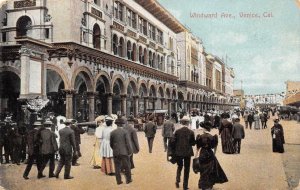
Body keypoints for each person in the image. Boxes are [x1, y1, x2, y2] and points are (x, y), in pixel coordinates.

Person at [196, 122, 228, 190]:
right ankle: (209, 185)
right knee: (210, 169)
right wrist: (214, 154)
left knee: (203, 169)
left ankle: (203, 185)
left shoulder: (200, 137)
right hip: (210, 153)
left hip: (203, 153)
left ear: (204, 129)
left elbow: (198, 148)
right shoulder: (212, 137)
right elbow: (215, 147)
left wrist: (196, 156)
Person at [174, 116, 195, 190]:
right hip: (187, 152)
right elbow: (193, 143)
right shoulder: (191, 132)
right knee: (187, 168)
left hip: (179, 152)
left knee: (179, 166)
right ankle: (185, 186)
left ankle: (177, 181)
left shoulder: (177, 131)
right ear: (188, 123)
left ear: (182, 122)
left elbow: (174, 142)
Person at [110, 117, 133, 185]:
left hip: (116, 152)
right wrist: (130, 151)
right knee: (127, 166)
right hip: (124, 151)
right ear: (122, 124)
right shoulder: (125, 132)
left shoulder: (112, 132)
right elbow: (128, 143)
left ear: (116, 124)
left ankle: (119, 181)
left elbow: (111, 143)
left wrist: (114, 149)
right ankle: (128, 179)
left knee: (117, 167)